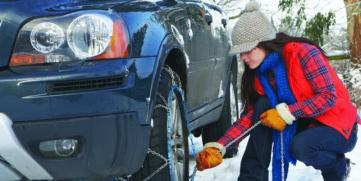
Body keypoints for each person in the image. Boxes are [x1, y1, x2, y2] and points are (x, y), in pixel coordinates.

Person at [195, 1, 359, 181]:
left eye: (247, 51)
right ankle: (252, 177)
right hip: (306, 123)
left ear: (264, 43)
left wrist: (287, 113)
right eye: (240, 53)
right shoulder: (259, 75)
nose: (243, 58)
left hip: (339, 127)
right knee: (263, 106)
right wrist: (220, 146)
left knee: (301, 146)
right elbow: (250, 118)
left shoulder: (303, 53)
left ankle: (337, 167)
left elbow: (327, 97)